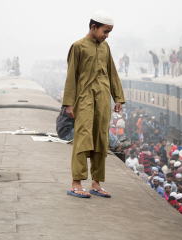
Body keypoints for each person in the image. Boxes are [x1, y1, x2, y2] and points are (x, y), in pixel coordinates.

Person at [63, 11, 124, 198]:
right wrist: (69, 104)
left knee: (101, 139)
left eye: (109, 33)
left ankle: (96, 183)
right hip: (84, 99)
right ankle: (76, 183)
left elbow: (112, 73)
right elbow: (71, 76)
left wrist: (118, 97)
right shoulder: (78, 47)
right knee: (82, 138)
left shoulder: (105, 48)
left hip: (103, 99)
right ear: (93, 27)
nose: (106, 36)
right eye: (105, 31)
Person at [56, 107, 131, 153]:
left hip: (66, 132)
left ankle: (114, 143)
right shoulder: (76, 104)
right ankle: (117, 145)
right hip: (67, 134)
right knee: (97, 127)